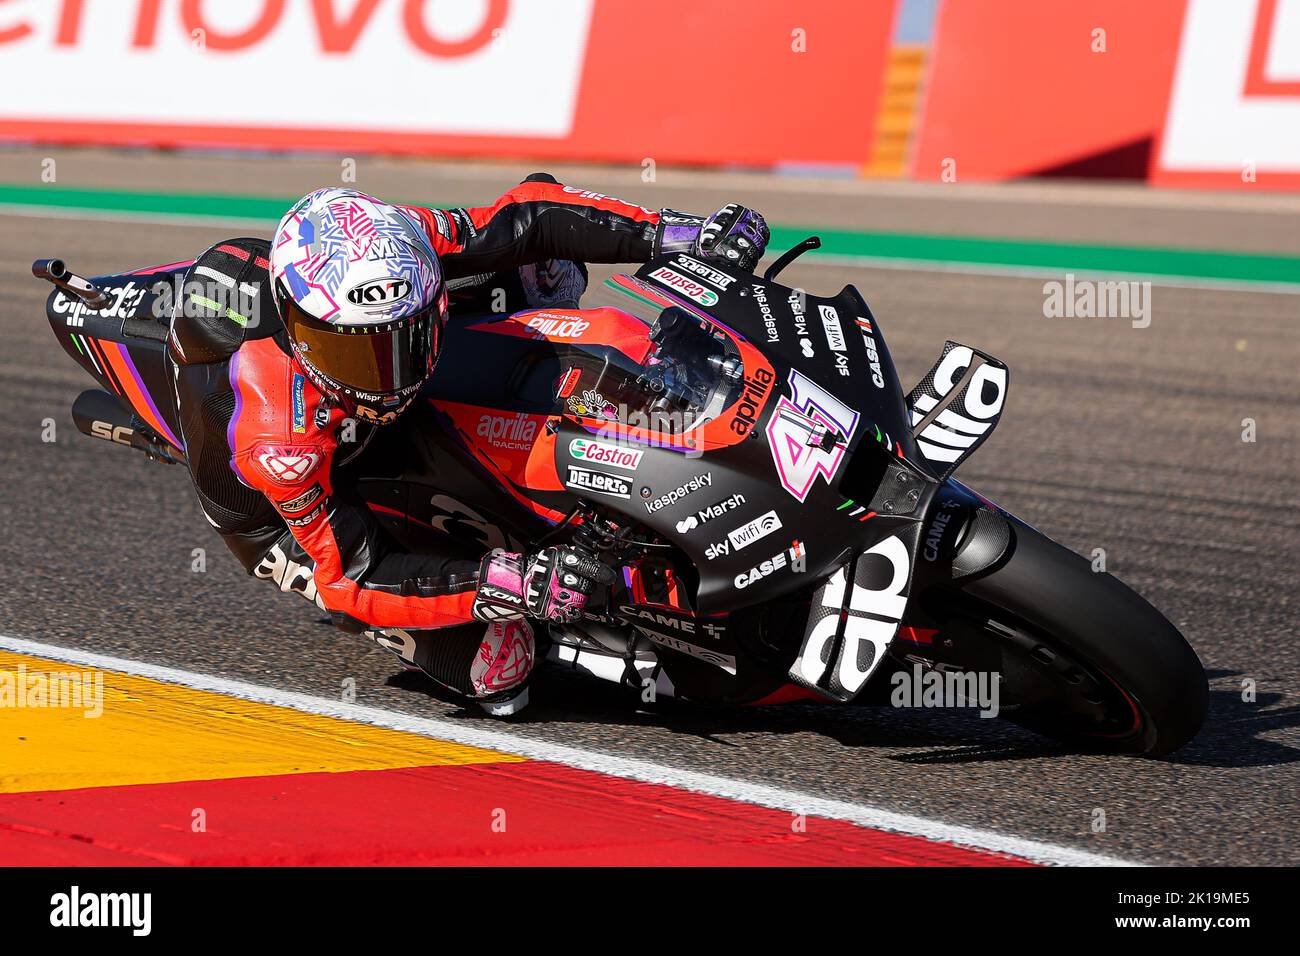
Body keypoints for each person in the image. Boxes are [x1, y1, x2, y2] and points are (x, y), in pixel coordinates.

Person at [166, 174, 768, 712]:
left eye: (402, 338)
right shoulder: (279, 436)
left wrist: (684, 236)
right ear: (301, 335)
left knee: (539, 270)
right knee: (502, 669)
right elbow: (353, 577)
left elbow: (527, 217)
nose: (389, 372)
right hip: (276, 515)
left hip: (361, 410)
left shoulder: (401, 239)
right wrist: (513, 580)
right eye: (356, 353)